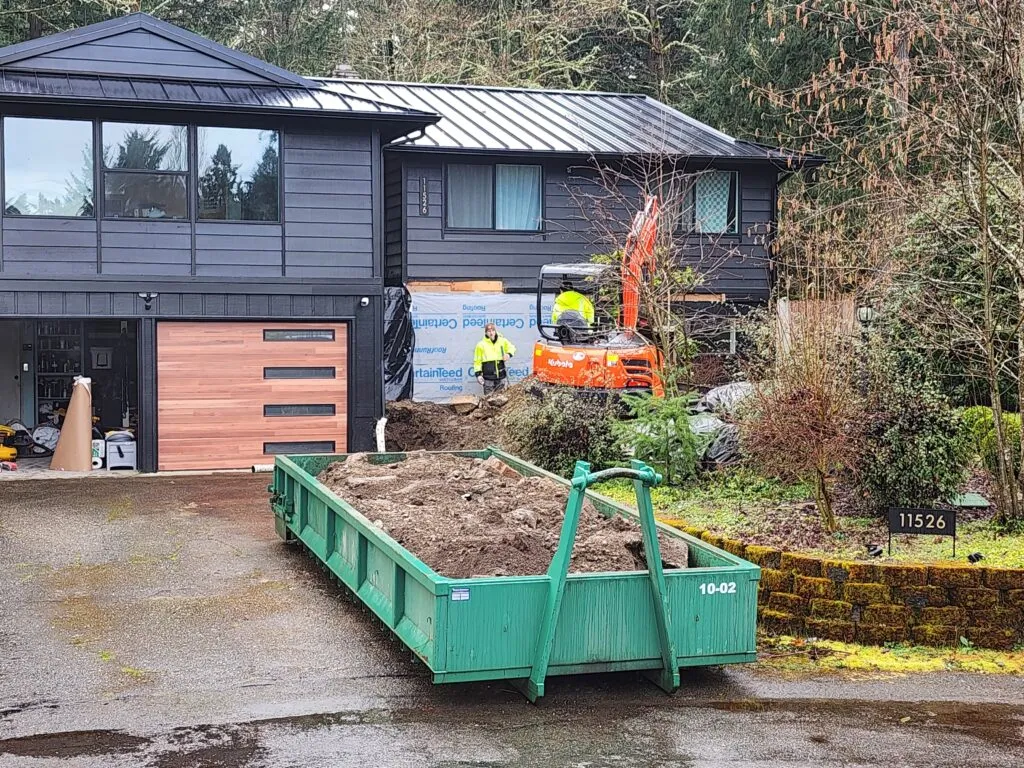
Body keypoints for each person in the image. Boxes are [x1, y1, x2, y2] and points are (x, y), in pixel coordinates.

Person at [473, 322, 516, 395]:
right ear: (486, 333)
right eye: (488, 331)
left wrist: (508, 354)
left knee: (501, 398)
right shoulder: (480, 345)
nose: (491, 333)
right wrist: (478, 374)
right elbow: (477, 361)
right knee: (489, 399)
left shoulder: (502, 341)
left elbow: (512, 348)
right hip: (488, 379)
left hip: (501, 377)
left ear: (495, 331)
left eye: (493, 330)